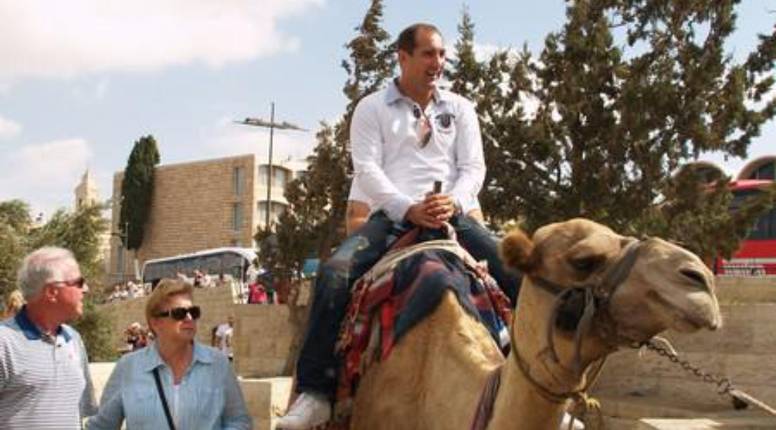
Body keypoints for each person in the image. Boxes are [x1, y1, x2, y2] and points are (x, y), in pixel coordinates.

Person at [277, 23, 521, 429]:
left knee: (524, 277)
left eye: (441, 54)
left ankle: (535, 393)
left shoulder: (460, 108)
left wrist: (454, 202)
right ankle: (316, 391)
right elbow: (367, 170)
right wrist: (408, 209)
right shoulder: (372, 108)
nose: (437, 62)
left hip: (451, 215)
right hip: (392, 218)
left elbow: (473, 168)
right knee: (334, 275)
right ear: (403, 57)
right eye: (428, 54)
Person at [87, 279, 251, 430]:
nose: (189, 318)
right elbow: (101, 426)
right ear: (155, 322)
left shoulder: (217, 364)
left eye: (193, 312)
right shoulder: (129, 367)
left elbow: (239, 422)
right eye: (179, 313)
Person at [0, 247, 97, 429]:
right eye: (79, 282)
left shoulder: (73, 339)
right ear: (52, 292)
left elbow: (78, 415)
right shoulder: (4, 343)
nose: (85, 289)